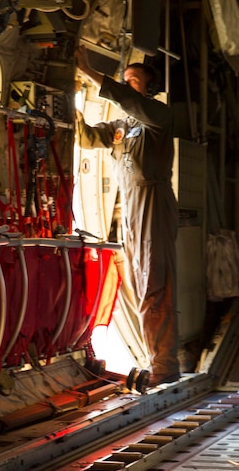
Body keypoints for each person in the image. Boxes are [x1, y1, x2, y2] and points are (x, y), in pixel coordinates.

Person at [75, 45, 180, 386]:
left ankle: (164, 366)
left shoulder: (158, 117)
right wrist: (71, 101)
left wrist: (92, 72)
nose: (127, 84)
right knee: (138, 286)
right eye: (125, 79)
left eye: (134, 80)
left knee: (154, 286)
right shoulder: (121, 126)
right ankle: (157, 360)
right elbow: (89, 137)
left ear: (149, 87)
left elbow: (129, 102)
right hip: (131, 207)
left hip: (152, 201)